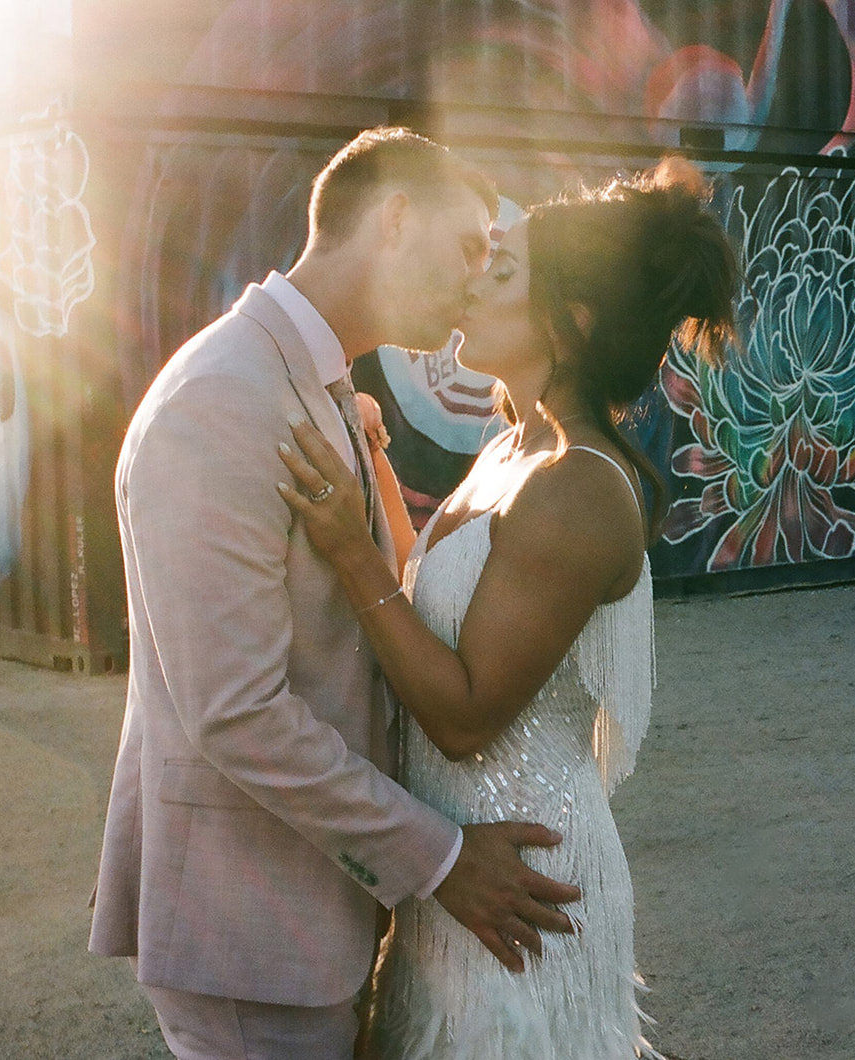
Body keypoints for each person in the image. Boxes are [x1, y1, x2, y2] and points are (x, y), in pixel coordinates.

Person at [88, 127, 582, 1060]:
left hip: (309, 912)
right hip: (248, 937)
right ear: (394, 220)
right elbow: (234, 712)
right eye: (466, 246)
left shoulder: (311, 381)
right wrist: (436, 859)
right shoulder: (221, 400)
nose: (476, 277)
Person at [277, 158, 740, 1059]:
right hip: (465, 872)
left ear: (572, 318)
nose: (468, 285)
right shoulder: (514, 449)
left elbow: (462, 711)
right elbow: (438, 604)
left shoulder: (580, 488)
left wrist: (344, 547)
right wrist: (371, 460)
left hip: (523, 891)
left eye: (501, 272)